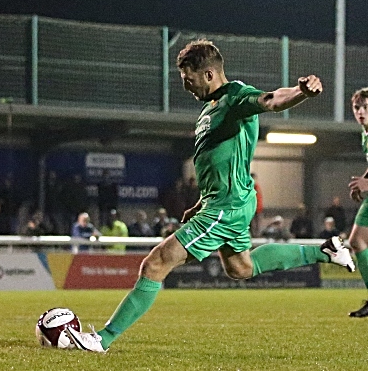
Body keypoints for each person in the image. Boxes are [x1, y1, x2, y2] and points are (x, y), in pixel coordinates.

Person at [64, 39, 353, 352]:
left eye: (189, 79)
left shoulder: (234, 97)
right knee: (240, 267)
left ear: (210, 74)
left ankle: (101, 340)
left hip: (227, 207)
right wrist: (202, 202)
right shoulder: (210, 109)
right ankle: (325, 251)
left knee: (156, 264)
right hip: (226, 202)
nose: (186, 87)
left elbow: (271, 100)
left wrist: (300, 93)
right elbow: (218, 161)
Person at [346, 87, 368, 317]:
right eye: (357, 107)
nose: (361, 112)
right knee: (357, 241)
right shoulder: (365, 132)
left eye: (366, 107)